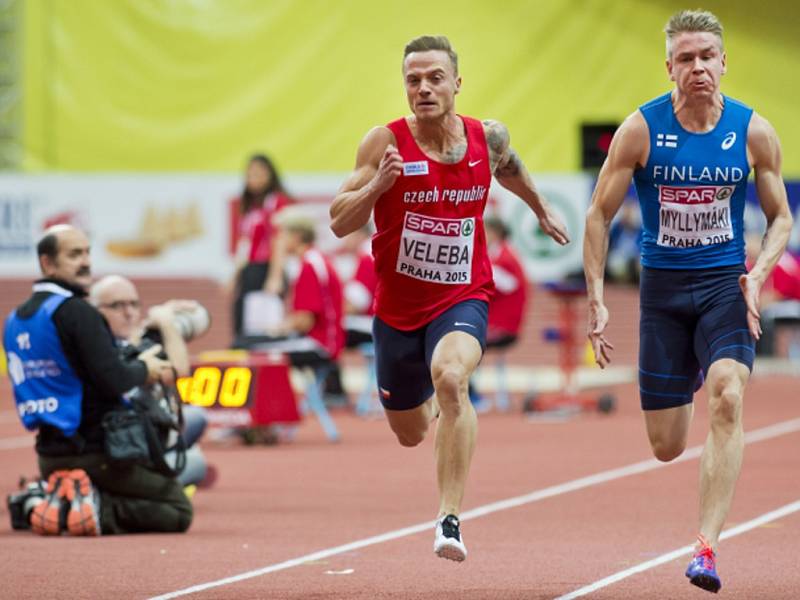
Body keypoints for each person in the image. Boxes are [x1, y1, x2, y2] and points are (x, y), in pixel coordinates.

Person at [329, 35, 568, 562]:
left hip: (462, 295)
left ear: (457, 83)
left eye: (435, 77)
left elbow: (510, 168)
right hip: (397, 310)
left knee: (452, 378)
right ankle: (438, 407)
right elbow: (338, 218)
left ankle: (449, 518)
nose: (424, 88)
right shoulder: (383, 144)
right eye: (413, 80)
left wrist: (540, 207)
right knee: (411, 433)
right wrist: (375, 189)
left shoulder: (489, 136)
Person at [583, 10, 793, 593]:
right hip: (664, 294)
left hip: (727, 286)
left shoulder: (753, 132)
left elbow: (781, 217)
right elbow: (599, 215)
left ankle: (706, 548)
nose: (697, 67)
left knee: (729, 395)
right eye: (685, 58)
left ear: (724, 62)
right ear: (669, 66)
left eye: (707, 56)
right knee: (666, 445)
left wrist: (759, 272)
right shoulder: (640, 130)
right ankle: (689, 372)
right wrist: (596, 298)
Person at [2, 225, 193, 536]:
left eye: (87, 252)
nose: (86, 261)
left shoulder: (15, 319)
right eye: (74, 254)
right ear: (47, 263)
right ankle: (91, 508)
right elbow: (114, 380)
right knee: (178, 507)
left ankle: (42, 499)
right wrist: (146, 369)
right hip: (96, 453)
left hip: (48, 457)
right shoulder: (78, 312)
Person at [89, 275, 211, 488]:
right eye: (117, 305)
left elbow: (134, 342)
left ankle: (172, 459)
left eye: (134, 304)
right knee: (196, 462)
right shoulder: (104, 350)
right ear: (95, 310)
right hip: (122, 451)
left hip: (138, 435)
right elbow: (178, 370)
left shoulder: (114, 340)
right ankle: (168, 472)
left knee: (197, 416)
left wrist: (163, 314)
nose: (128, 313)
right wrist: (166, 323)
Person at [229, 153, 294, 338]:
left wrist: (275, 276)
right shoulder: (249, 207)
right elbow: (245, 244)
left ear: (270, 175)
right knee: (242, 322)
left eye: (258, 173)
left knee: (263, 328)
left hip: (266, 270)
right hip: (250, 271)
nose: (253, 178)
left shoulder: (276, 201)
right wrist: (234, 275)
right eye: (250, 174)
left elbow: (279, 239)